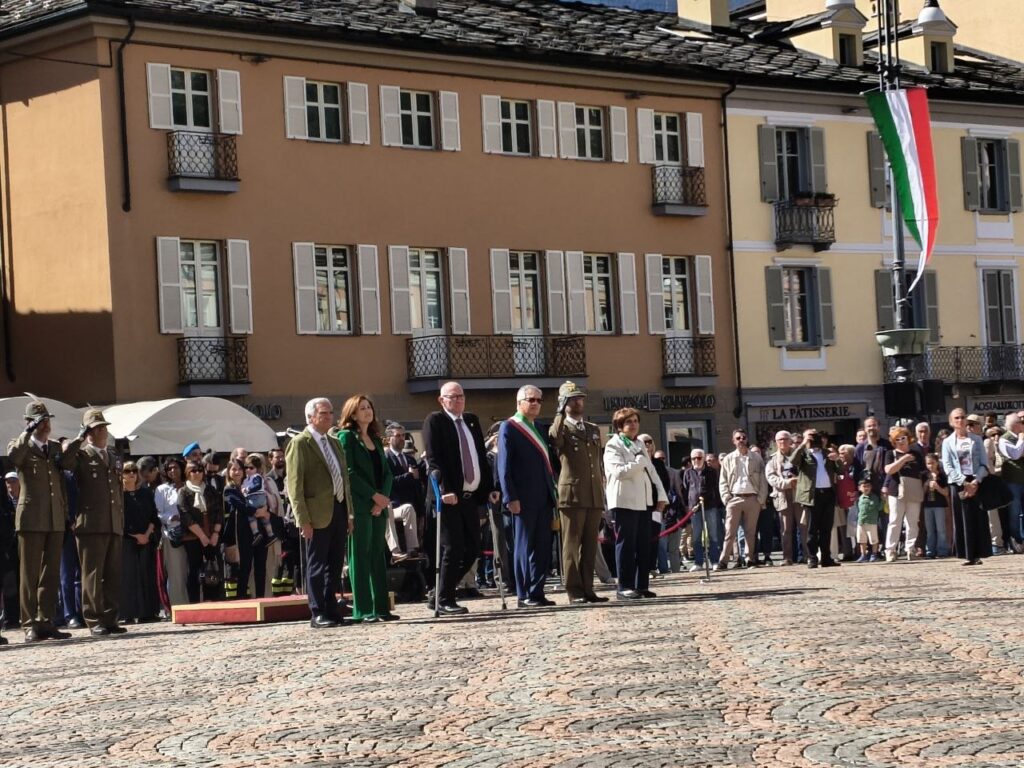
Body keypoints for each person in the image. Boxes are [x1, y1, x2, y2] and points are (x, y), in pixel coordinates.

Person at [8, 399, 83, 642]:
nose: (46, 424)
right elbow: (14, 457)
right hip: (30, 518)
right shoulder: (21, 445)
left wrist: (75, 442)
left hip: (54, 517)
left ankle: (46, 620)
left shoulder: (53, 447)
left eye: (47, 420)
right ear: (30, 422)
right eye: (41, 420)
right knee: (30, 573)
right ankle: (29, 622)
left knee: (50, 572)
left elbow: (69, 465)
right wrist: (28, 431)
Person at [422, 381, 496, 616]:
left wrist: (488, 488)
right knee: (452, 548)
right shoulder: (435, 421)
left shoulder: (471, 421)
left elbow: (480, 458)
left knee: (473, 547)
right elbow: (434, 459)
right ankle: (445, 598)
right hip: (447, 497)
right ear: (441, 400)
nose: (457, 400)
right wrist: (444, 489)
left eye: (460, 396)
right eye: (451, 397)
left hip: (469, 497)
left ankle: (441, 590)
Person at [286, 397, 351, 629]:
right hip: (316, 514)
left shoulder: (334, 442)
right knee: (316, 564)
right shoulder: (300, 443)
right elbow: (294, 485)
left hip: (338, 509)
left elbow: (344, 479)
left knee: (334, 564)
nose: (329, 417)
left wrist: (349, 513)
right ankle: (317, 611)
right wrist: (302, 519)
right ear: (310, 417)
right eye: (323, 413)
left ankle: (331, 607)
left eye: (331, 412)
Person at [337, 394, 398, 623]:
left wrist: (382, 498)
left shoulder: (374, 437)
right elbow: (349, 473)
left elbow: (387, 472)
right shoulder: (347, 437)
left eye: (369, 407)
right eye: (362, 408)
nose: (367, 411)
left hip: (378, 506)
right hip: (361, 506)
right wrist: (372, 496)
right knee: (359, 557)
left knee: (377, 556)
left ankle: (382, 608)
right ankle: (363, 609)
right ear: (352, 413)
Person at [548, 381, 607, 604]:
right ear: (564, 403)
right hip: (571, 494)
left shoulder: (591, 429)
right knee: (571, 544)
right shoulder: (561, 427)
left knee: (590, 544)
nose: (578, 402)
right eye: (572, 399)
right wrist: (559, 412)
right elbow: (554, 439)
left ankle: (588, 588)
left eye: (579, 398)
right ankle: (574, 590)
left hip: (592, 493)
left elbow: (597, 462)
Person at [498, 385, 557, 608]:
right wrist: (509, 496)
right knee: (524, 547)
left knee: (543, 546)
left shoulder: (540, 428)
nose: (535, 404)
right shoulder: (510, 427)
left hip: (543, 496)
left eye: (539, 400)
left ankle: (537, 591)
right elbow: (504, 466)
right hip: (521, 498)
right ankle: (524, 593)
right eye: (531, 399)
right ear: (519, 402)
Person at [71, 408, 127, 637]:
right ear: (89, 432)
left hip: (113, 522)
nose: (103, 430)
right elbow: (64, 462)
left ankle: (110, 617)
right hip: (91, 524)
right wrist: (79, 437)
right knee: (92, 575)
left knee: (112, 573)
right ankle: (94, 619)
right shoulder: (81, 456)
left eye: (104, 426)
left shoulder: (112, 455)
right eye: (97, 427)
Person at [604, 408, 667, 599]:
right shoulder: (613, 445)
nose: (633, 425)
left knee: (643, 545)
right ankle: (624, 586)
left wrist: (662, 495)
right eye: (628, 422)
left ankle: (641, 585)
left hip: (644, 500)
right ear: (620, 426)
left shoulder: (639, 443)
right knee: (626, 545)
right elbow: (619, 472)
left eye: (635, 421)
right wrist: (639, 461)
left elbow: (652, 472)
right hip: (625, 501)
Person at [941, 408, 989, 566]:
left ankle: (979, 553)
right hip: (959, 482)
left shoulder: (976, 439)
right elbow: (948, 466)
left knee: (978, 517)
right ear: (951, 422)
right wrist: (963, 482)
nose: (960, 420)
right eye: (957, 418)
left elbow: (984, 462)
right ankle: (967, 554)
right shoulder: (947, 442)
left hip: (975, 480)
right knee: (963, 518)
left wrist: (976, 480)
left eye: (962, 417)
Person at [790, 428, 843, 569]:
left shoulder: (826, 453)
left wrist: (837, 459)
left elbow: (841, 471)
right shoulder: (804, 454)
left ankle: (826, 558)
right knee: (812, 529)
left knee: (826, 528)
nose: (813, 439)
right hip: (812, 495)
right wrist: (803, 444)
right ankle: (812, 558)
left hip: (828, 493)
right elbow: (792, 461)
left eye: (815, 436)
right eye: (810, 436)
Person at [717, 428, 769, 570]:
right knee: (730, 532)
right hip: (734, 498)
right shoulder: (728, 459)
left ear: (747, 439)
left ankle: (749, 558)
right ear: (733, 441)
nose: (741, 440)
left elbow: (763, 480)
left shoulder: (756, 458)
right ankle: (724, 560)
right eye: (738, 438)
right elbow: (723, 481)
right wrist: (727, 498)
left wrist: (760, 499)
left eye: (743, 437)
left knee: (750, 532)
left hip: (752, 498)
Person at [177, 460, 225, 602]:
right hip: (192, 536)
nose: (197, 473)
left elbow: (219, 512)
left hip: (212, 535)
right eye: (193, 470)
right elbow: (185, 514)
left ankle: (212, 600)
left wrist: (215, 533)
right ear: (187, 473)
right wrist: (202, 536)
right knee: (195, 569)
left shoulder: (210, 490)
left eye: (199, 470)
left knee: (212, 568)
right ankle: (194, 602)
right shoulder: (183, 491)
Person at [119, 461, 160, 623]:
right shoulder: (118, 495)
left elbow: (153, 517)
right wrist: (135, 535)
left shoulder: (146, 493)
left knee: (146, 574)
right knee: (128, 576)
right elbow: (119, 519)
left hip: (147, 538)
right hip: (127, 539)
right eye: (127, 471)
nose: (131, 474)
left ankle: (148, 613)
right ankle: (128, 613)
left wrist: (147, 534)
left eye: (134, 471)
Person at [882, 426, 927, 562]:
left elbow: (923, 471)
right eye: (897, 439)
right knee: (895, 521)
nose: (901, 441)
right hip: (896, 491)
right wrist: (903, 460)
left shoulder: (917, 454)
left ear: (908, 439)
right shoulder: (891, 454)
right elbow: (889, 470)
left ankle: (910, 549)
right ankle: (890, 550)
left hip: (914, 490)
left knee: (913, 522)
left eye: (903, 438)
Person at [676, 448, 722, 572]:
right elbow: (685, 489)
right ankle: (698, 562)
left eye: (699, 458)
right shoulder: (687, 473)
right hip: (694, 509)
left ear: (703, 458)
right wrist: (687, 506)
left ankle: (714, 561)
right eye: (694, 458)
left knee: (713, 536)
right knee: (696, 536)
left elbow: (715, 488)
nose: (696, 460)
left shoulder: (711, 472)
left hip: (710, 507)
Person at [383, 422, 423, 559]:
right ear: (389, 439)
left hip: (406, 505)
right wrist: (409, 476)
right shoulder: (385, 458)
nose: (402, 439)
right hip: (389, 505)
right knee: (388, 508)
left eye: (403, 435)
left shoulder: (410, 459)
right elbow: (389, 482)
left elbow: (417, 486)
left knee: (409, 508)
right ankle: (395, 550)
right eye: (398, 435)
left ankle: (412, 549)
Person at [154, 457, 188, 610]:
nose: (173, 471)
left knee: (190, 570)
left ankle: (194, 604)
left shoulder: (189, 486)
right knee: (176, 572)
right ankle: (178, 607)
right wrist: (170, 517)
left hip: (192, 533)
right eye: (169, 469)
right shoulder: (162, 490)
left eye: (176, 467)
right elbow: (157, 513)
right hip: (172, 534)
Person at [765, 430, 803, 566]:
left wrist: (799, 481)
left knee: (803, 527)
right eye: (779, 440)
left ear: (790, 441)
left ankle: (807, 555)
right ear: (776, 442)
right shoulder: (773, 460)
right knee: (786, 529)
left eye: (785, 439)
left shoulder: (800, 455)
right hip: (783, 496)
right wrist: (786, 483)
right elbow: (771, 478)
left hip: (799, 495)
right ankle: (787, 557)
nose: (782, 442)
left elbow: (808, 470)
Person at [997, 412, 1024, 554]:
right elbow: (1014, 454)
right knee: (1014, 512)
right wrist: (1021, 440)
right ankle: (1016, 540)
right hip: (1012, 482)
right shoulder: (1004, 439)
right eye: (1020, 422)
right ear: (1015, 425)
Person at [241, 457, 276, 547]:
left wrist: (247, 489)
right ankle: (271, 534)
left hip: (256, 497)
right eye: (246, 467)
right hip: (258, 499)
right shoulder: (246, 479)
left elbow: (257, 485)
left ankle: (256, 532)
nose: (248, 470)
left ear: (257, 469)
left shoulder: (256, 477)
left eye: (251, 468)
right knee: (264, 517)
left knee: (251, 514)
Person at [0, 472, 19, 631]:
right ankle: (10, 618)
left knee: (13, 581)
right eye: (8, 482)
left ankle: (15, 617)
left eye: (13, 481)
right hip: (7, 545)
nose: (10, 485)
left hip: (16, 543)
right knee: (9, 581)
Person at [922, 453, 950, 558]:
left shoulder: (942, 475)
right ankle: (930, 551)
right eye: (928, 463)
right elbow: (921, 492)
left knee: (941, 529)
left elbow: (946, 492)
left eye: (932, 463)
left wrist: (937, 487)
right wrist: (926, 485)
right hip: (927, 505)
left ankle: (942, 551)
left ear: (937, 463)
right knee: (929, 530)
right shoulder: (924, 475)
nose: (930, 466)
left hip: (939, 505)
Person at [855, 478, 882, 562]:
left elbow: (879, 507)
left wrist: (883, 501)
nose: (866, 488)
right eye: (864, 486)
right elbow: (858, 509)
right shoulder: (859, 498)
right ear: (859, 488)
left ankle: (874, 554)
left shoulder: (874, 497)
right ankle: (863, 555)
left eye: (868, 486)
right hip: (861, 522)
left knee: (873, 539)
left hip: (872, 522)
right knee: (862, 539)